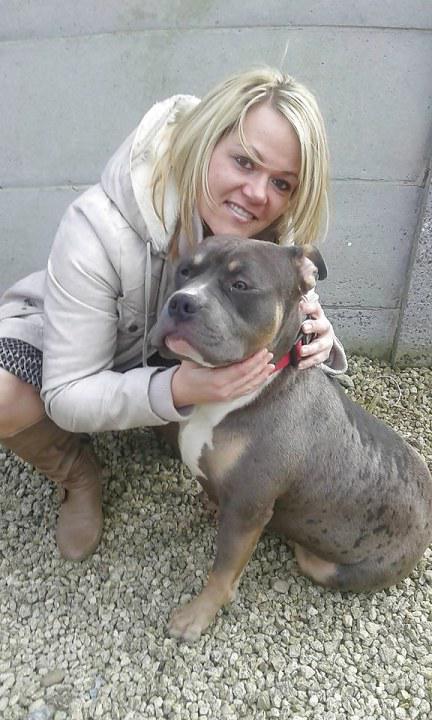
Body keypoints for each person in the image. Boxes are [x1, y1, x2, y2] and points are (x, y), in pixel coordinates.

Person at [0, 67, 347, 561]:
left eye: (281, 183)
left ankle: (171, 429)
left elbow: (284, 311)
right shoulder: (97, 227)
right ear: (205, 141)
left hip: (167, 352)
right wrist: (178, 390)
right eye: (244, 162)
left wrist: (317, 338)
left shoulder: (266, 232)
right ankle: (78, 476)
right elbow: (67, 393)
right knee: (4, 395)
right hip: (81, 345)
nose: (258, 193)